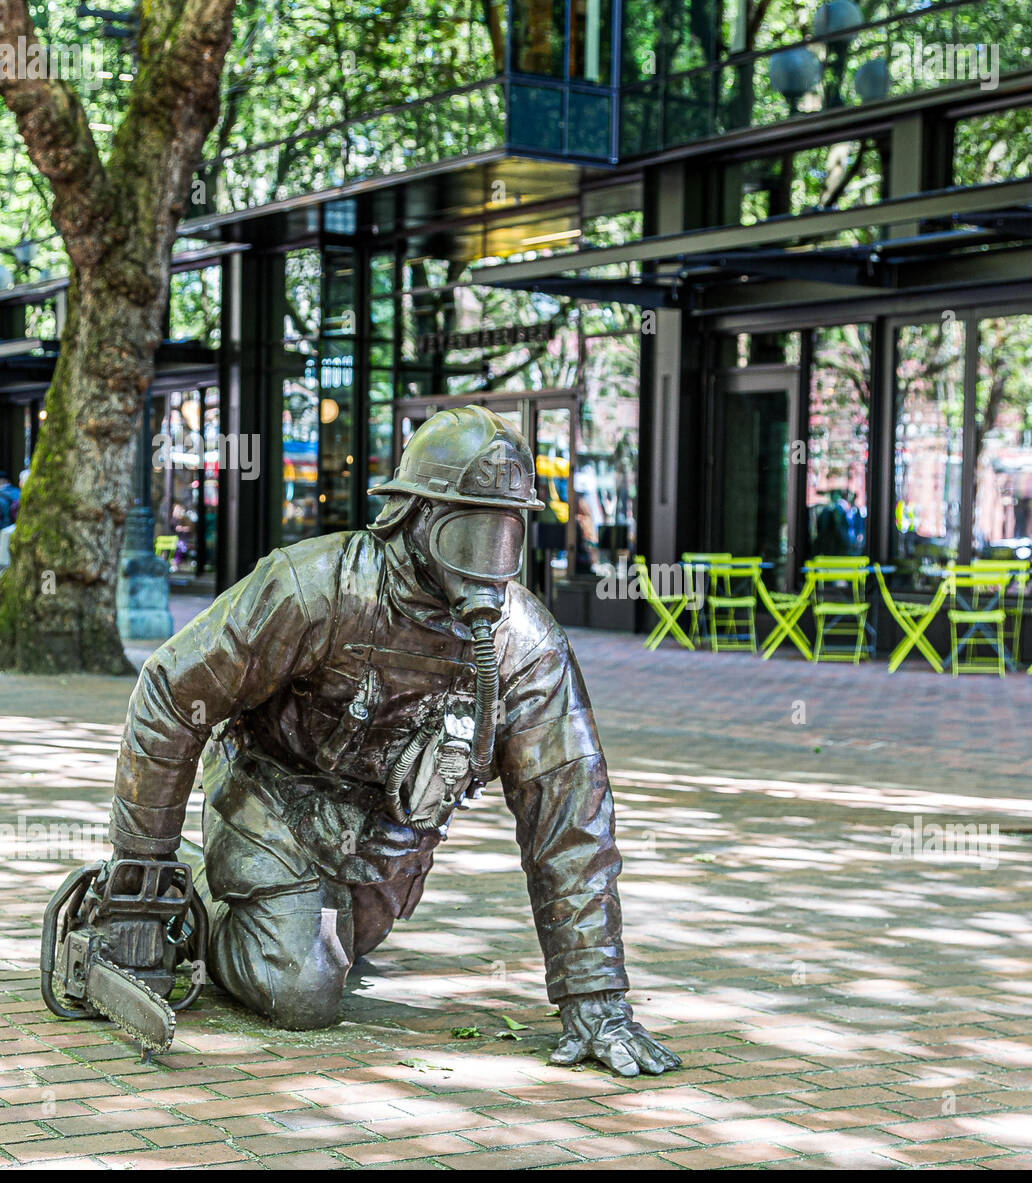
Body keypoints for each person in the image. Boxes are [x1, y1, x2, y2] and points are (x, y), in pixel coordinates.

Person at [85, 406, 680, 1077]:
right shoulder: (316, 588)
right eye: (468, 534)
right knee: (303, 991)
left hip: (384, 849)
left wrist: (594, 995)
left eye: (503, 537)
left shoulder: (525, 643)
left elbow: (569, 813)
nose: (486, 565)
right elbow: (173, 689)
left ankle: (285, 917)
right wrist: (141, 873)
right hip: (271, 809)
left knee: (341, 953)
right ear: (414, 518)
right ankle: (194, 891)